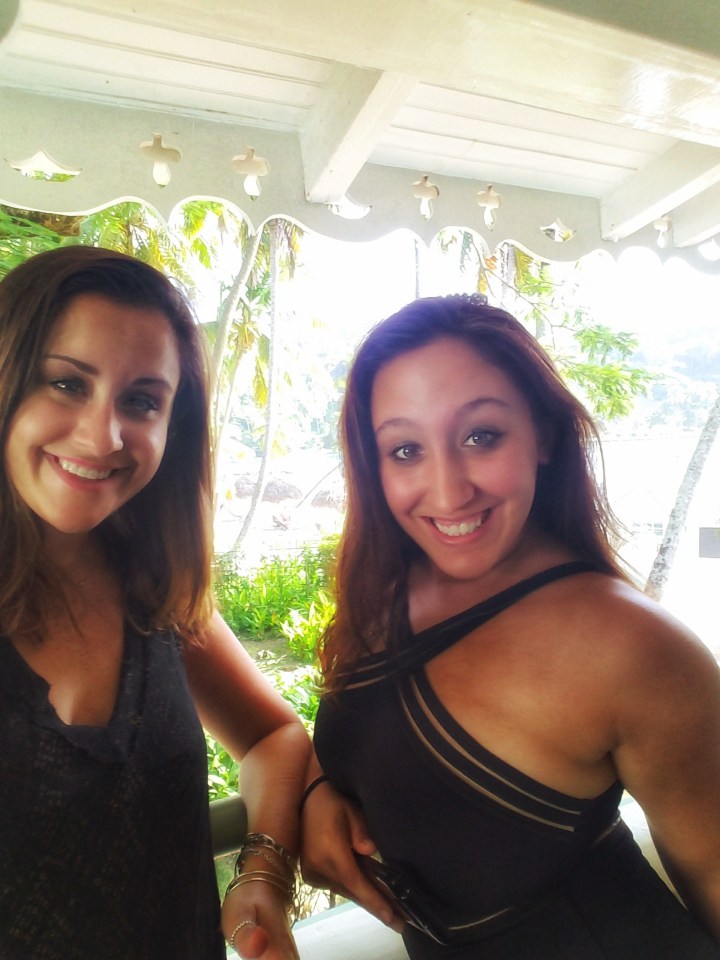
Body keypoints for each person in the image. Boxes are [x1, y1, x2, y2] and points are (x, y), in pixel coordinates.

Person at [300, 293, 720, 959]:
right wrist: (321, 789)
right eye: (406, 449)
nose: (447, 491)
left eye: (480, 436)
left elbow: (713, 870)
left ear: (543, 435)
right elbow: (372, 746)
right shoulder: (385, 588)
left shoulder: (633, 647)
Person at [0, 246, 310, 960]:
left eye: (141, 401)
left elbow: (273, 738)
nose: (101, 435)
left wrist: (262, 868)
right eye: (65, 384)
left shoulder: (158, 596)